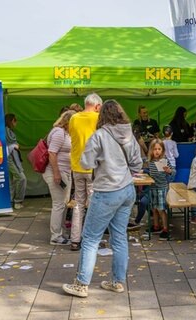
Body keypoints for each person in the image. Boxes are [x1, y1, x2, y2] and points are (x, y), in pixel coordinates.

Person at [62, 99, 142, 298]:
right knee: (120, 237)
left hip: (106, 191)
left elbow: (86, 162)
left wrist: (101, 160)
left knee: (90, 239)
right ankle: (117, 282)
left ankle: (81, 284)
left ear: (102, 115)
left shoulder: (99, 136)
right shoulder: (129, 134)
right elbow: (137, 163)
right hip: (127, 190)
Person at [69, 93, 102, 251]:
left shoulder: (73, 118)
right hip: (93, 168)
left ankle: (75, 239)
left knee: (78, 204)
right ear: (97, 106)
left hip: (76, 166)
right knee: (94, 205)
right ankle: (91, 239)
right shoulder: (97, 118)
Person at [44, 110, 76, 246]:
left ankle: (60, 233)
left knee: (62, 203)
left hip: (64, 171)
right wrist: (57, 173)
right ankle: (55, 236)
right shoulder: (59, 133)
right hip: (57, 172)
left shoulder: (64, 132)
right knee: (58, 204)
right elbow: (52, 153)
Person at [147, 138, 175, 240]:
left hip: (161, 187)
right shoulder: (150, 161)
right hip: (152, 187)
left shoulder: (165, 161)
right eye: (155, 149)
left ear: (162, 150)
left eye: (159, 149)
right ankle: (156, 226)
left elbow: (173, 173)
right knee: (153, 208)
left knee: (161, 209)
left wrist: (169, 171)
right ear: (151, 150)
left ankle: (165, 229)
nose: (157, 151)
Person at [5, 113, 27, 210]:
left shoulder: (8, 131)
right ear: (11, 121)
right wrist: (14, 146)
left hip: (10, 157)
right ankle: (18, 201)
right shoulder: (7, 131)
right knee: (21, 178)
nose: (16, 123)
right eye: (15, 120)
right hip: (10, 157)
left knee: (11, 181)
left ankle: (10, 201)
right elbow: (10, 145)